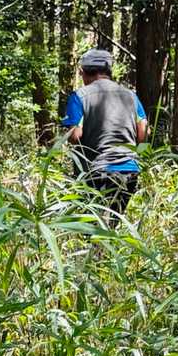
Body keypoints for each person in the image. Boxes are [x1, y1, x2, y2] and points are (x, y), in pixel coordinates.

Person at [62, 48, 148, 226]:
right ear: (108, 71)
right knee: (113, 225)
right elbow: (143, 134)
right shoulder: (131, 96)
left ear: (84, 72)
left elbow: (76, 136)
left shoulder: (79, 96)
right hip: (129, 169)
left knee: (91, 227)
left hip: (96, 170)